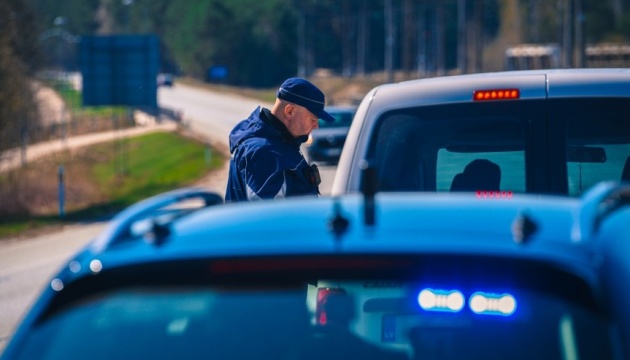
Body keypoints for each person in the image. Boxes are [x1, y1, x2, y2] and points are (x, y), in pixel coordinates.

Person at [225, 77, 335, 202]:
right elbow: (269, 217)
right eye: (313, 120)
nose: (316, 126)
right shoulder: (264, 153)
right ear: (290, 111)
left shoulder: (280, 143)